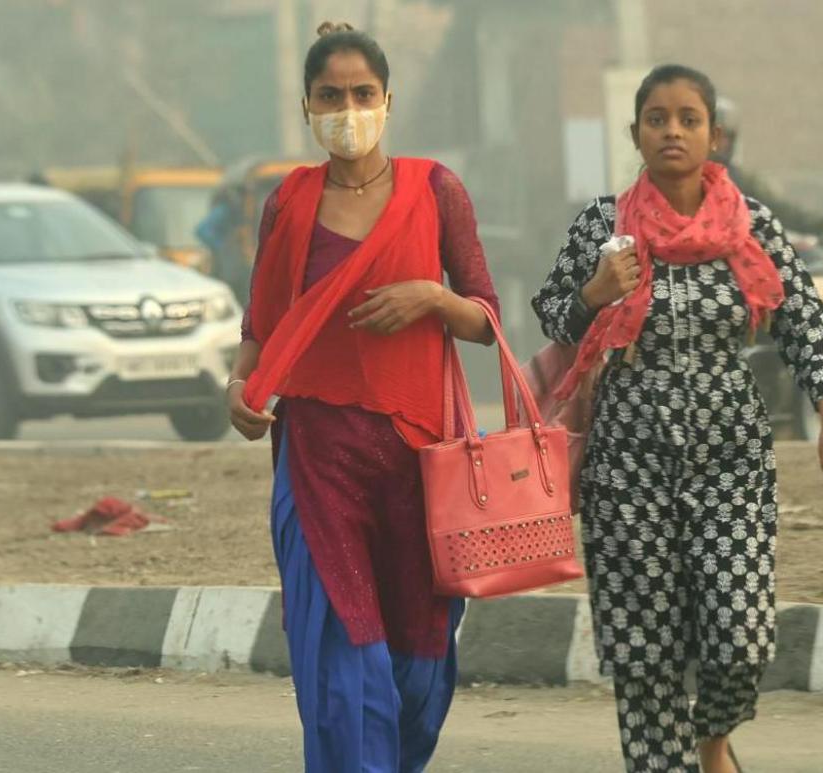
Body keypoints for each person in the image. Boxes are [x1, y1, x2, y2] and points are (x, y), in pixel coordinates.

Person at [532, 65, 823, 773]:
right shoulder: (601, 224)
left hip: (731, 457)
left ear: (714, 135)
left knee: (740, 633)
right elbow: (552, 315)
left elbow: (805, 321)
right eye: (657, 118)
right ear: (636, 133)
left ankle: (714, 736)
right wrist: (594, 291)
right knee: (643, 646)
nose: (672, 131)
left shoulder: (751, 226)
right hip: (627, 462)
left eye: (688, 118)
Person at [224, 22, 498, 773]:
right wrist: (236, 388)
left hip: (419, 461)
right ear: (306, 105)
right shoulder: (289, 200)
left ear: (389, 100)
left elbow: (485, 317)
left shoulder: (435, 189)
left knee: (417, 665)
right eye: (330, 95)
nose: (348, 108)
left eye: (362, 94)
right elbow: (262, 324)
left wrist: (430, 299)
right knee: (344, 663)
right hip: (320, 458)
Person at [711, 97, 823, 246]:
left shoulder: (738, 179)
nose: (721, 143)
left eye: (725, 137)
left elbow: (777, 209)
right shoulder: (687, 176)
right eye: (715, 135)